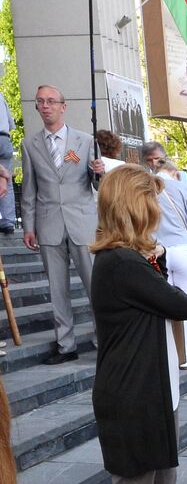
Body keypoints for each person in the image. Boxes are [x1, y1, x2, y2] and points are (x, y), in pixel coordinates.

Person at [90, 164, 187, 484]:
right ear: (134, 206)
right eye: (152, 200)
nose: (158, 209)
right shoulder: (121, 263)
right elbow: (182, 304)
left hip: (156, 389)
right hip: (131, 395)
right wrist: (160, 262)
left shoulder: (131, 261)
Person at [21, 85, 106, 364]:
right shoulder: (30, 145)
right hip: (48, 225)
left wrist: (99, 174)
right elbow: (29, 190)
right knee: (57, 289)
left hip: (82, 222)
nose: (45, 106)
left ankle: (104, 340)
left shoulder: (84, 141)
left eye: (51, 101)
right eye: (40, 102)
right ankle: (65, 344)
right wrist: (28, 226)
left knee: (95, 285)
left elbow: (94, 184)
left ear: (63, 106)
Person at [150, 154, 187, 368]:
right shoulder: (182, 188)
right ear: (175, 172)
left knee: (164, 305)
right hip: (184, 249)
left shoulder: (147, 188)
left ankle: (169, 356)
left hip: (157, 249)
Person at [142, 140, 187, 208]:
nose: (154, 163)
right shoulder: (146, 181)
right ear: (145, 161)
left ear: (165, 157)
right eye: (149, 160)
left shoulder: (183, 176)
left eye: (157, 158)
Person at [0, 88, 16, 233]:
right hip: (4, 139)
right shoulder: (1, 96)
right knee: (7, 181)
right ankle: (8, 221)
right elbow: (11, 124)